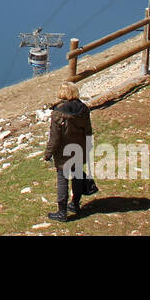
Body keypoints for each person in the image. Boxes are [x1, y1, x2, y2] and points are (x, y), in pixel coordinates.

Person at [43, 81, 93, 222]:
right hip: (79, 148)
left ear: (62, 94)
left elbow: (54, 138)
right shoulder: (83, 109)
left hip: (64, 152)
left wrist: (48, 154)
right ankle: (75, 204)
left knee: (62, 179)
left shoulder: (58, 113)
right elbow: (88, 131)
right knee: (77, 175)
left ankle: (62, 212)